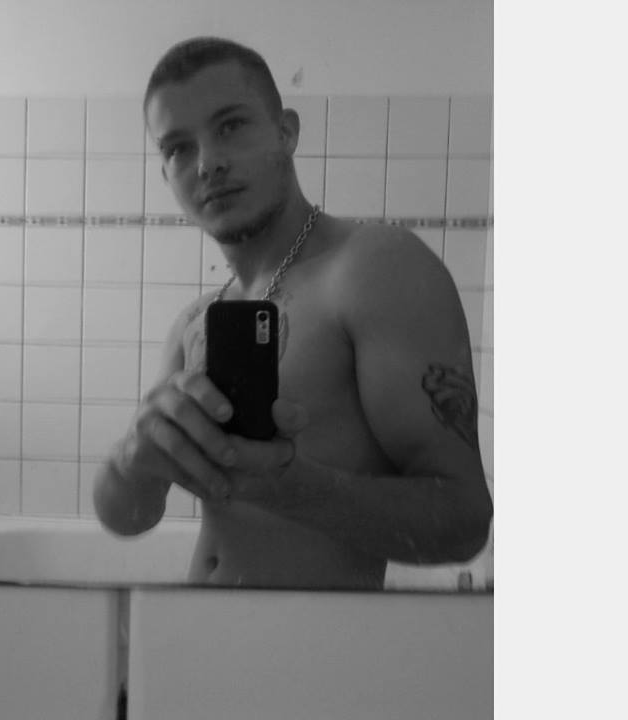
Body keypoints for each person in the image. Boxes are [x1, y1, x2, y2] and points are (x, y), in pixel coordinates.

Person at [93, 36, 493, 589]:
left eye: (231, 125)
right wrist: (133, 459)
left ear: (286, 132)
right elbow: (127, 518)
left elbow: (464, 523)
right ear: (166, 174)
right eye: (178, 149)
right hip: (197, 631)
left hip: (309, 641)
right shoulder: (198, 321)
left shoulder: (375, 269)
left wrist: (288, 487)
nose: (208, 163)